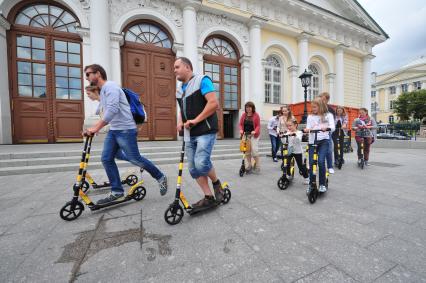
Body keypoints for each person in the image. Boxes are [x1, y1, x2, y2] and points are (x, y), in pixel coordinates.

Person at [83, 64, 168, 205]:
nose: (86, 78)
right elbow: (102, 111)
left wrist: (96, 128)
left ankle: (160, 176)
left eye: (88, 74)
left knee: (135, 158)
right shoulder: (104, 91)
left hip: (126, 130)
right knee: (107, 158)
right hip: (115, 130)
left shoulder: (111, 87)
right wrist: (91, 129)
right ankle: (117, 191)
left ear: (97, 73)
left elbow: (112, 110)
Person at [174, 57, 224, 208]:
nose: (174, 70)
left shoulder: (202, 80)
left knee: (201, 163)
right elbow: (181, 110)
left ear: (187, 67)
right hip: (190, 134)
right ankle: (208, 197)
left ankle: (216, 183)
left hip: (205, 130)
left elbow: (213, 103)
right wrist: (179, 122)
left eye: (177, 67)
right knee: (193, 169)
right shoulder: (179, 89)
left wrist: (196, 120)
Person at [304, 97, 335, 193]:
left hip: (324, 141)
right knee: (311, 162)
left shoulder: (328, 115)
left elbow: (332, 127)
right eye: (312, 107)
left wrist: (327, 128)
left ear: (321, 106)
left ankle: (322, 184)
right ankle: (311, 183)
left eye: (315, 107)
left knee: (321, 161)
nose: (313, 109)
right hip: (313, 142)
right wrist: (306, 130)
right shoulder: (310, 117)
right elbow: (308, 127)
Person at [285, 118, 309, 184]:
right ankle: (289, 175)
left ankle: (306, 178)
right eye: (288, 126)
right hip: (290, 151)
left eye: (290, 125)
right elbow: (285, 140)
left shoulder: (299, 132)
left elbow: (299, 139)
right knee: (287, 163)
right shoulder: (288, 132)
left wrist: (295, 135)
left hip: (298, 152)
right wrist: (282, 136)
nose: (289, 127)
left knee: (301, 167)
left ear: (295, 125)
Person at [239, 101, 261, 173]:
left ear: (252, 108)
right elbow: (241, 124)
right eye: (247, 107)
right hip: (245, 135)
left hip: (254, 135)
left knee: (254, 151)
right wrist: (241, 130)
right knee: (247, 151)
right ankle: (249, 165)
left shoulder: (256, 115)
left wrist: (255, 131)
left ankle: (257, 164)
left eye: (249, 107)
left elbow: (258, 125)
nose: (248, 109)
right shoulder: (244, 115)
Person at [319, 92, 336, 174]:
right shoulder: (317, 108)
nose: (320, 99)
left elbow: (332, 123)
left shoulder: (331, 110)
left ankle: (330, 166)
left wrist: (327, 128)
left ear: (327, 99)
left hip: (327, 132)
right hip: (317, 132)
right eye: (320, 98)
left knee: (328, 150)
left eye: (322, 98)